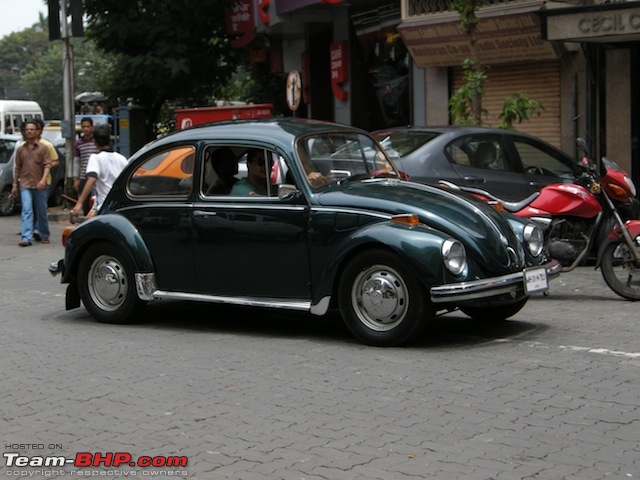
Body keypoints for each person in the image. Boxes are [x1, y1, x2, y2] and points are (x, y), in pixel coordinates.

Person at [71, 124, 127, 217]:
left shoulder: (96, 158)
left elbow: (92, 179)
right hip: (119, 206)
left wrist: (79, 203)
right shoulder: (122, 159)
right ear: (110, 141)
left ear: (95, 143)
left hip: (104, 206)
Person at [11, 121, 52, 246]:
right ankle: (26, 237)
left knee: (41, 211)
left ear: (37, 131)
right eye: (27, 129)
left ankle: (44, 234)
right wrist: (14, 184)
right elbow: (17, 167)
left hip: (39, 185)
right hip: (25, 184)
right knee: (27, 209)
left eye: (32, 129)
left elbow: (47, 165)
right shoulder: (20, 150)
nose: (29, 131)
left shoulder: (43, 148)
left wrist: (43, 180)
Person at [73, 117, 99, 215]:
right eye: (84, 127)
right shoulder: (78, 143)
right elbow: (76, 162)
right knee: (86, 204)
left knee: (96, 201)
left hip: (96, 177)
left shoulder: (96, 142)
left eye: (88, 126)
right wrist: (76, 179)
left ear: (92, 127)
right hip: (84, 176)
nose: (86, 129)